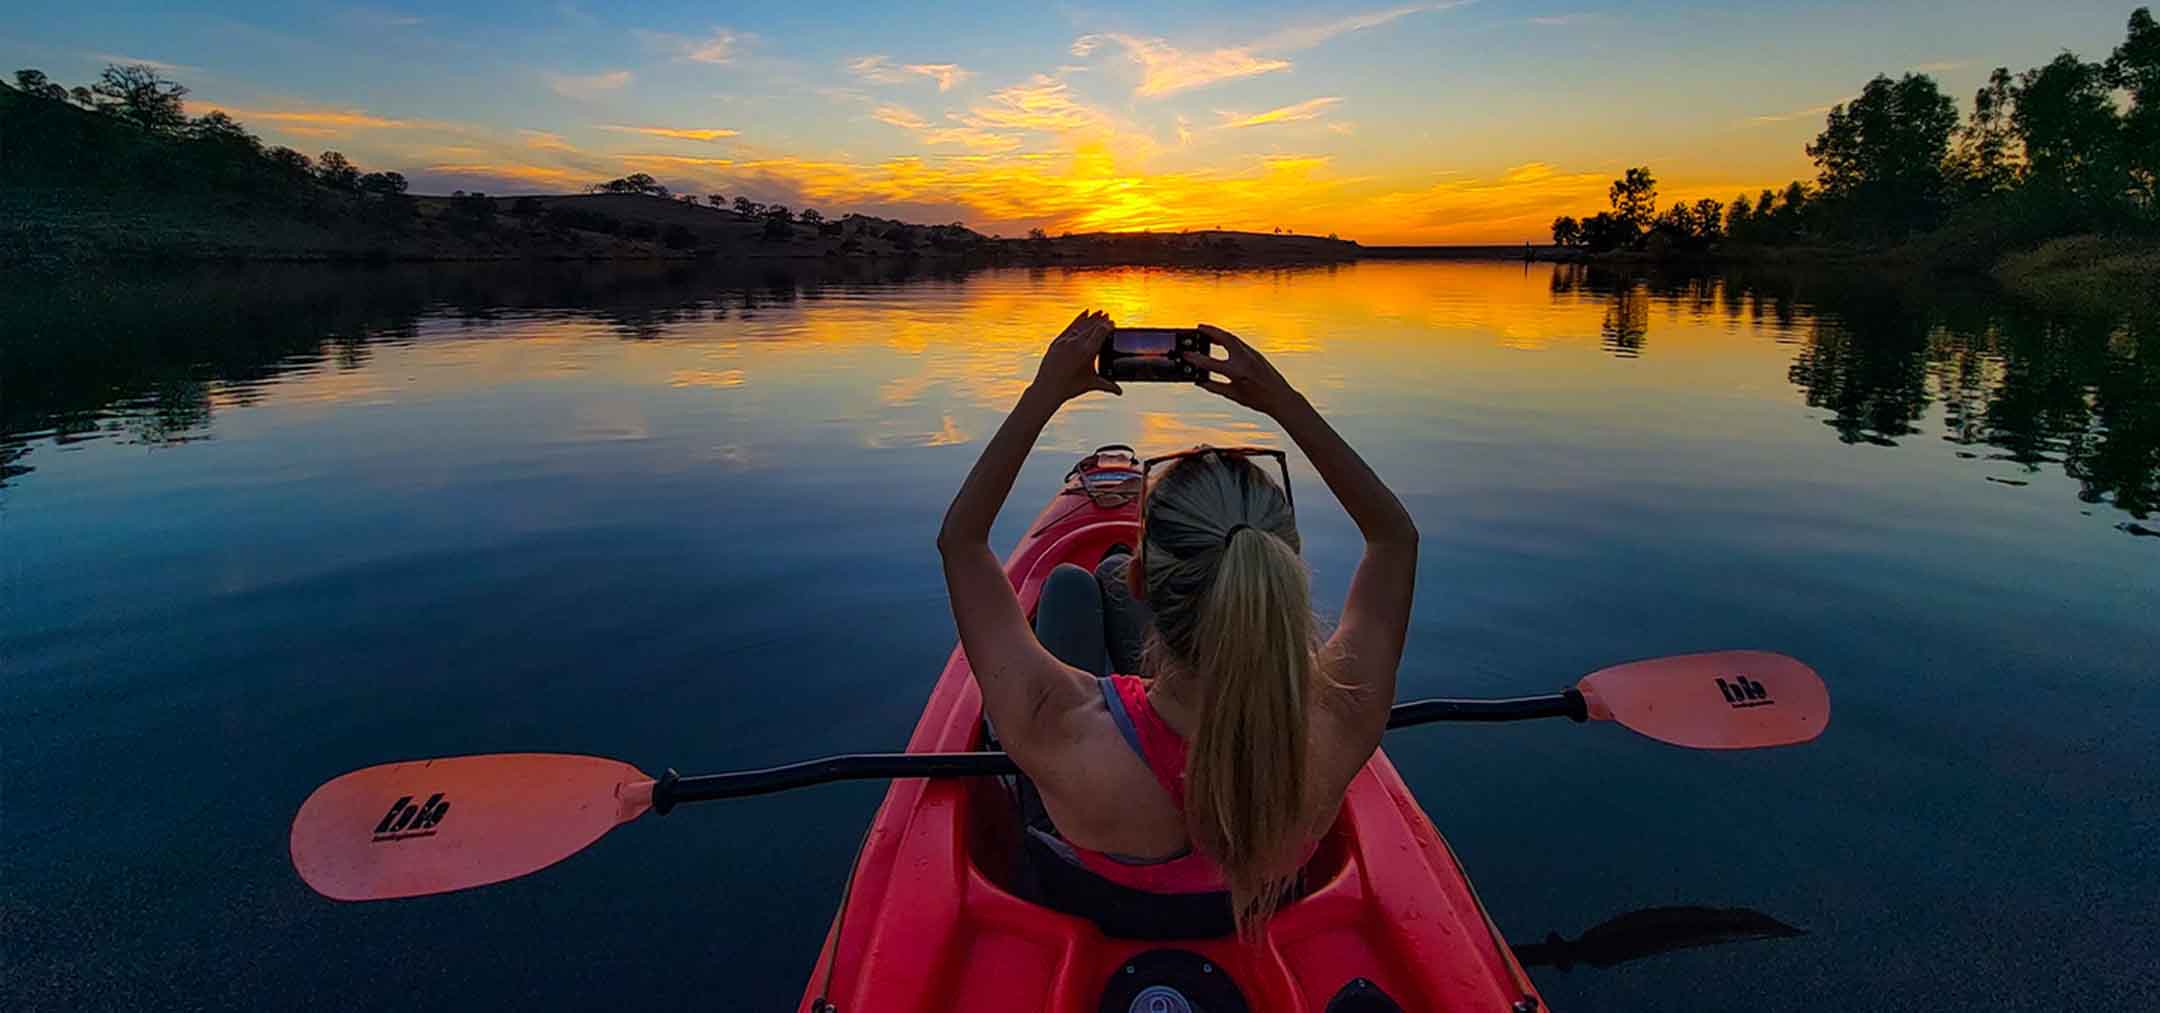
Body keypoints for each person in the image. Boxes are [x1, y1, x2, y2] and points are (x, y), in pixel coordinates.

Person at [936, 311, 1419, 939]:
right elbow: (1394, 539)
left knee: (1068, 586)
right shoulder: (1338, 722)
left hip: (1096, 857)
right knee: (1080, 585)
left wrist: (1045, 391)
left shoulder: (1059, 725)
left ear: (1143, 583)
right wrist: (1283, 402)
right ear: (1282, 574)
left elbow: (962, 542)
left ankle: (1107, 584)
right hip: (1238, 910)